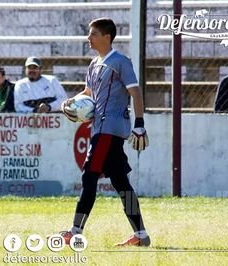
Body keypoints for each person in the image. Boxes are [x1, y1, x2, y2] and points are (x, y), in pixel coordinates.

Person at [60, 18, 150, 247]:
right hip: (100, 128)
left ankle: (75, 231)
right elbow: (89, 91)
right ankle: (141, 235)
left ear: (107, 37)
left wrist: (139, 123)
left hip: (110, 129)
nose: (88, 38)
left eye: (93, 34)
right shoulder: (94, 64)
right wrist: (70, 102)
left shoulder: (120, 61)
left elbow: (136, 92)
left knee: (89, 176)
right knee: (121, 183)